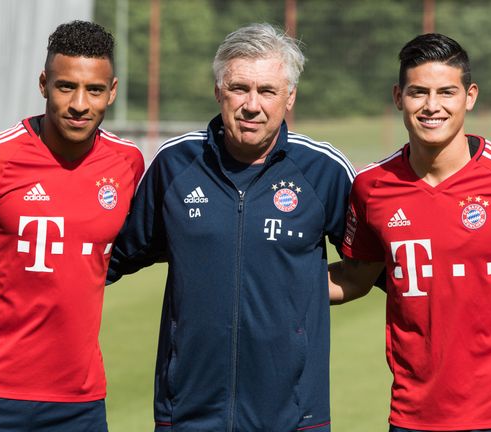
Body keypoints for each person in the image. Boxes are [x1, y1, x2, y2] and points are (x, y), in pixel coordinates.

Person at [328, 33, 491, 432]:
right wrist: (262, 280)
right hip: (413, 416)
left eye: (446, 92)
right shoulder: (371, 186)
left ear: (469, 96)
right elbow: (355, 278)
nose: (432, 106)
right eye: (418, 92)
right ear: (398, 97)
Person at [108, 23, 355, 431]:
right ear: (218, 91)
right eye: (239, 88)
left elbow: (373, 267)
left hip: (294, 417)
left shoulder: (323, 171)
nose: (252, 105)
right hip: (186, 414)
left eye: (268, 91)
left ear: (289, 97)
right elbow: (111, 258)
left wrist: (301, 289)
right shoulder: (175, 165)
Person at [0, 20, 144, 432]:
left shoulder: (128, 163)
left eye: (94, 89)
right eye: (65, 86)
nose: (79, 104)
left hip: (81, 402)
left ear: (113, 91)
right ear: (43, 84)